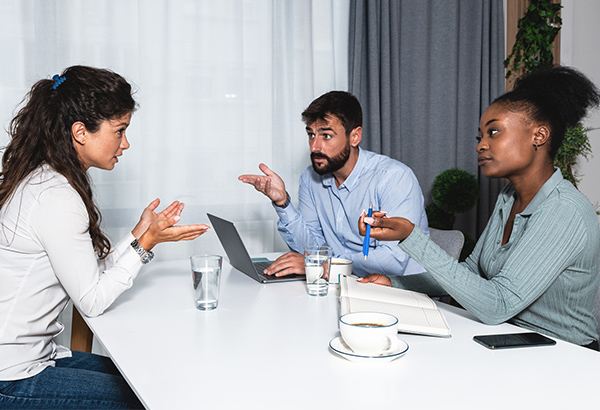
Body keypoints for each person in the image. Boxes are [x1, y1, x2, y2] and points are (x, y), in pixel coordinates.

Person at [0, 66, 209, 408]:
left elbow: (87, 276)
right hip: (12, 376)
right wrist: (147, 244)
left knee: (146, 376)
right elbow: (93, 300)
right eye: (120, 131)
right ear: (81, 132)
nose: (125, 144)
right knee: (149, 396)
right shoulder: (57, 196)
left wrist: (141, 233)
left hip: (34, 357)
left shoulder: (45, 180)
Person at [359, 65, 600, 349]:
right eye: (480, 137)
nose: (481, 145)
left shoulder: (565, 211)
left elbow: (498, 304)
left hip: (565, 359)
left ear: (539, 136)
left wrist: (412, 238)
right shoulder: (509, 197)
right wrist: (396, 285)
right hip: (510, 343)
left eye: (493, 132)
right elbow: (472, 273)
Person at [239, 91, 429, 278]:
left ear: (355, 136)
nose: (314, 147)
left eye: (326, 136)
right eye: (311, 135)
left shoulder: (394, 178)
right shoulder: (310, 178)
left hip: (401, 294)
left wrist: (321, 266)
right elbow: (311, 247)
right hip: (345, 285)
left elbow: (392, 261)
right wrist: (283, 202)